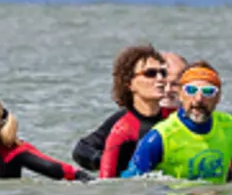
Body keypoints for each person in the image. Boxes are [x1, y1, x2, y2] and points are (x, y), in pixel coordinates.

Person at [121, 61, 232, 182]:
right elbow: (130, 183)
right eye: (191, 90)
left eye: (208, 91)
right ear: (180, 94)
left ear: (218, 97)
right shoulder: (160, 137)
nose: (199, 99)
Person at [71, 44, 174, 179]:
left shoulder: (176, 117)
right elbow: (81, 151)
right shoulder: (122, 123)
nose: (160, 79)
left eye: (163, 73)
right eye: (150, 74)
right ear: (129, 84)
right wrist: (109, 160)